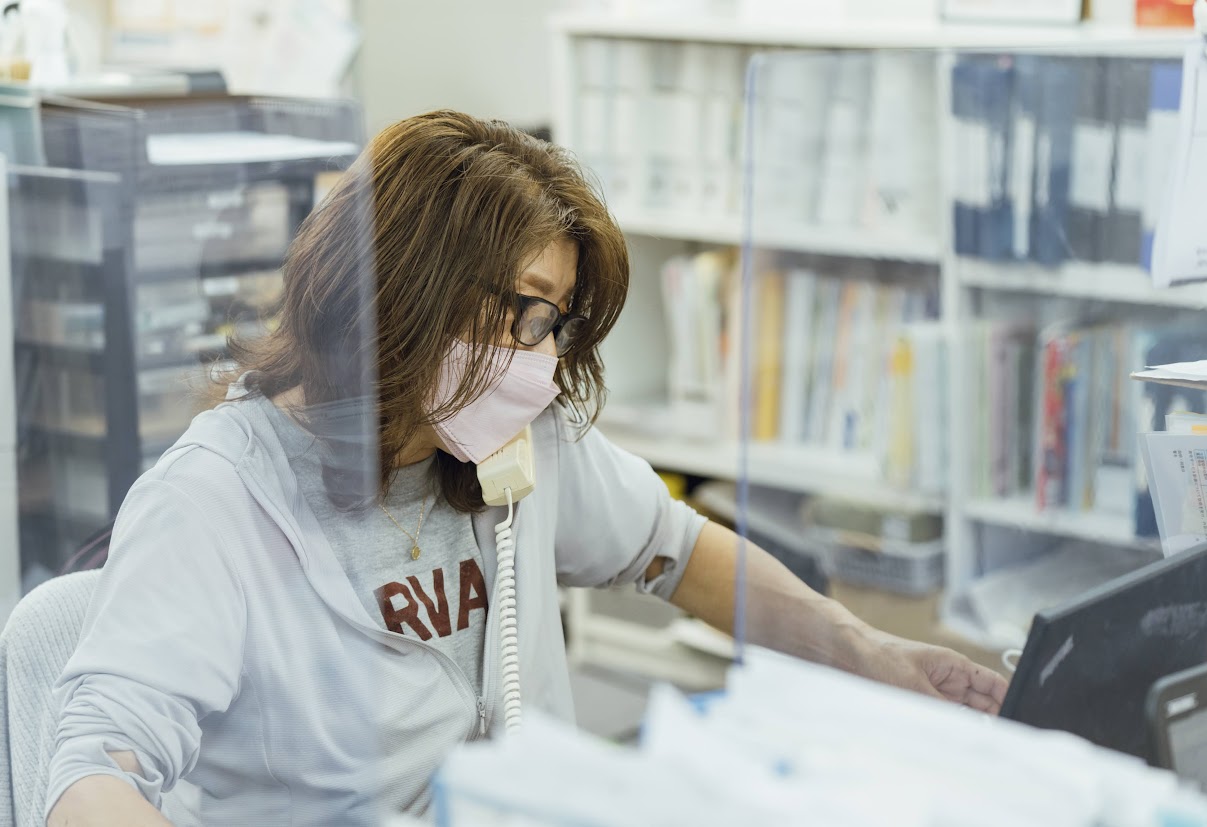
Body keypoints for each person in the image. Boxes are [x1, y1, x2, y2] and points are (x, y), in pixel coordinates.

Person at [45, 110, 1007, 826]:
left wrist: (872, 657)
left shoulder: (503, 440)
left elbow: (674, 548)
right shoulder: (219, 496)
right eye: (529, 311)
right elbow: (98, 766)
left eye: (558, 323)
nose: (541, 359)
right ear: (409, 282)